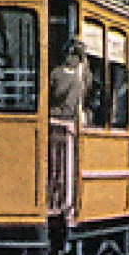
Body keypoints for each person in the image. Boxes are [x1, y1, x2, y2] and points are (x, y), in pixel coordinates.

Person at [47, 39, 90, 216]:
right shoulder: (77, 77)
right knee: (64, 168)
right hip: (67, 124)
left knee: (54, 167)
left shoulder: (56, 73)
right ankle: (62, 201)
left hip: (53, 122)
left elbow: (50, 93)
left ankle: (54, 199)